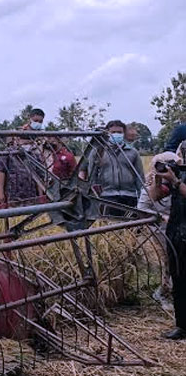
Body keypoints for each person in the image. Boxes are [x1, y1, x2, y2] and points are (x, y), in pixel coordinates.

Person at [147, 151, 186, 339]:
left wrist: (176, 182)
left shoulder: (178, 179)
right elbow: (153, 197)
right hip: (177, 232)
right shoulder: (177, 174)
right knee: (178, 279)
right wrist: (158, 179)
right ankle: (182, 326)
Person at [138, 151, 179, 312]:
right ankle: (163, 292)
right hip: (159, 228)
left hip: (177, 227)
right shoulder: (151, 185)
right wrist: (161, 216)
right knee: (169, 260)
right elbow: (142, 209)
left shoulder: (178, 183)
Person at [80, 120, 144, 217]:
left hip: (130, 195)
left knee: (131, 227)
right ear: (107, 133)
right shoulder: (98, 151)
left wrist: (142, 199)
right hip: (107, 196)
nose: (116, 135)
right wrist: (95, 196)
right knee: (110, 227)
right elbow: (92, 176)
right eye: (113, 132)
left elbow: (140, 177)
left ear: (124, 134)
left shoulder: (132, 152)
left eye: (119, 132)